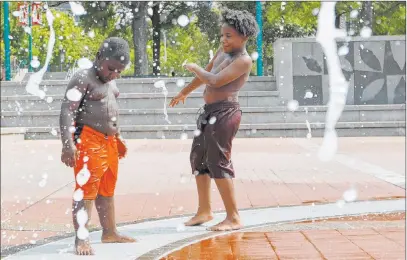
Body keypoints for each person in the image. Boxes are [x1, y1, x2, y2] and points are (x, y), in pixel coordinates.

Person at [169, 9, 259, 231]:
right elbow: (206, 74)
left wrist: (195, 68)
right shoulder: (222, 51)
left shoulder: (243, 60)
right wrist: (185, 92)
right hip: (209, 112)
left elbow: (215, 80)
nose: (223, 40)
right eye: (222, 35)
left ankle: (233, 216)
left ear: (244, 37)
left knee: (219, 161)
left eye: (229, 36)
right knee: (199, 158)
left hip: (226, 113)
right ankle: (204, 211)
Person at [60, 37, 136, 255]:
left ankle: (110, 232)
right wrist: (67, 144)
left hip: (109, 142)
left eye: (119, 71)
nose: (114, 74)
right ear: (99, 58)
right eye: (111, 68)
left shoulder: (110, 79)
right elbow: (67, 111)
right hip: (89, 139)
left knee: (107, 188)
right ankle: (81, 238)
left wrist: (118, 136)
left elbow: (110, 108)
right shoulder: (83, 78)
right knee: (86, 190)